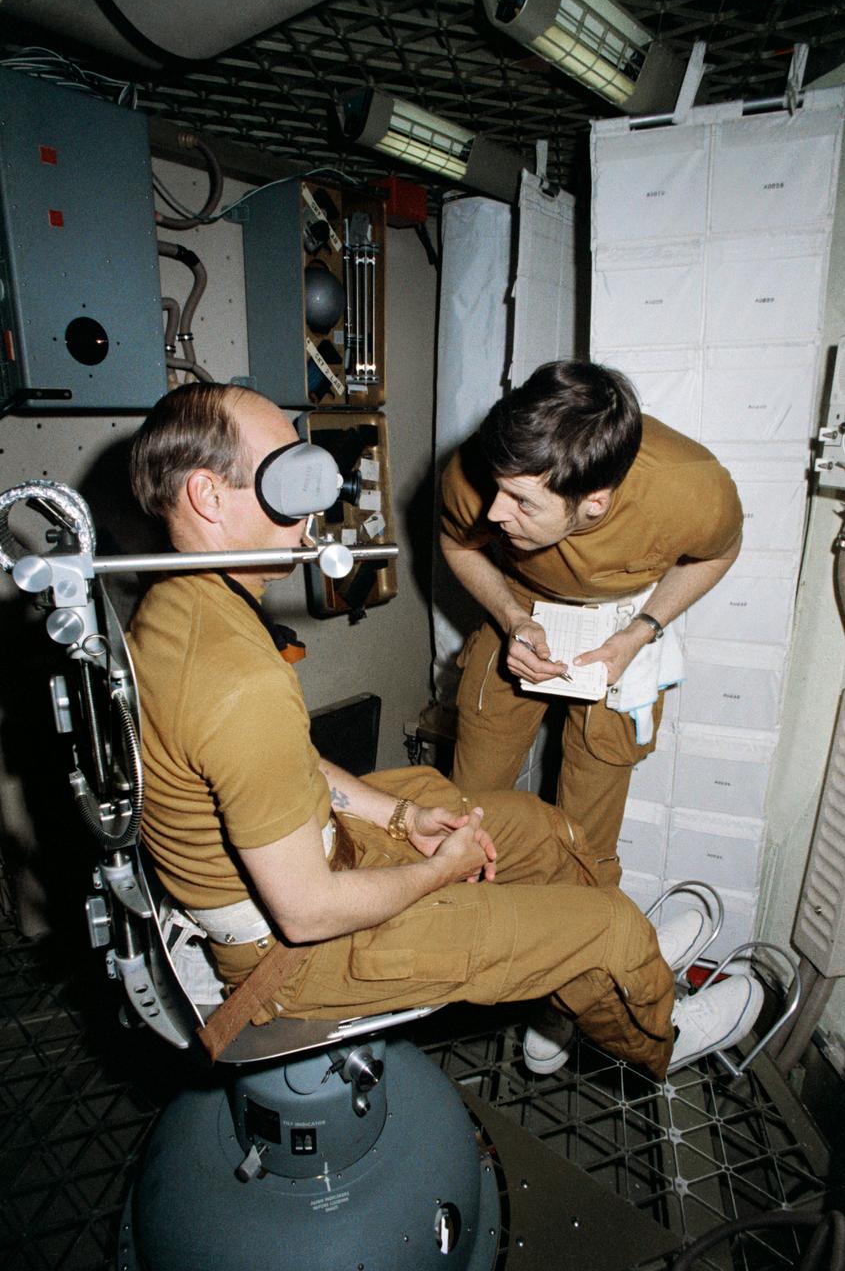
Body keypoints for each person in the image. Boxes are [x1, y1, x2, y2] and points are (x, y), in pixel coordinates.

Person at [125, 381, 761, 1080]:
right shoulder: (236, 679)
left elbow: (292, 762)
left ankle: (598, 980)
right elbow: (306, 914)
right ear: (209, 497)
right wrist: (439, 870)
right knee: (611, 932)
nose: (313, 505)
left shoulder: (182, 603)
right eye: (285, 477)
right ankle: (656, 1034)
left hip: (321, 854)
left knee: (547, 832)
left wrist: (403, 818)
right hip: (295, 956)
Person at [440, 360, 744, 879]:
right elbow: (458, 544)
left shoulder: (693, 492)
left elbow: (719, 554)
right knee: (467, 807)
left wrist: (641, 632)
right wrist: (511, 619)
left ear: (594, 504)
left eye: (522, 503)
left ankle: (579, 916)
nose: (494, 513)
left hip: (622, 619)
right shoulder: (474, 472)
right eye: (497, 489)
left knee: (589, 828)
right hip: (519, 602)